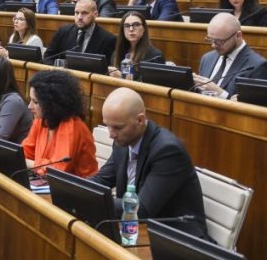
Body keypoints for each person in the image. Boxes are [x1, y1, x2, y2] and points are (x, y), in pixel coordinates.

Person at [91, 88, 212, 240]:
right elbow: (101, 179)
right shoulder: (122, 142)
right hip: (140, 229)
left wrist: (94, 200)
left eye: (118, 127)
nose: (111, 134)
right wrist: (76, 190)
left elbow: (141, 210)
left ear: (140, 120)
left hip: (178, 239)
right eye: (107, 125)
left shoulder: (167, 151)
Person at [22, 71, 98, 178]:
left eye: (35, 102)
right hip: (47, 184)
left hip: (79, 189)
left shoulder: (72, 126)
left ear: (51, 104)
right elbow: (24, 154)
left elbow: (58, 170)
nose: (29, 106)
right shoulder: (41, 121)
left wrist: (31, 164)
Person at [192, 13, 267, 98]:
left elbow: (253, 107)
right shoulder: (207, 58)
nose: (213, 45)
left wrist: (221, 94)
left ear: (238, 36)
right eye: (210, 39)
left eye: (220, 41)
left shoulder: (257, 66)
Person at [43, 0, 117, 62]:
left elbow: (107, 69)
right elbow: (48, 57)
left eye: (84, 13)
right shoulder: (63, 31)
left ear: (95, 14)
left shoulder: (108, 39)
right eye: (77, 13)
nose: (79, 17)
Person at [107, 11, 165, 80]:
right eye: (127, 26)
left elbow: (154, 85)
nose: (131, 29)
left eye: (136, 25)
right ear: (123, 30)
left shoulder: (155, 56)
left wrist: (122, 77)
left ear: (144, 29)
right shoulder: (116, 54)